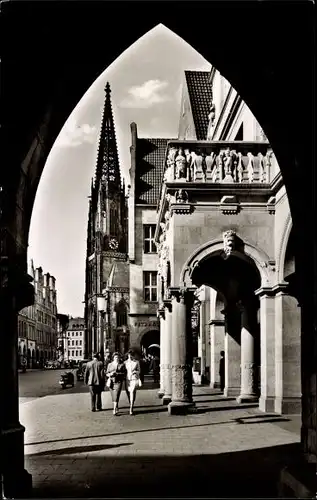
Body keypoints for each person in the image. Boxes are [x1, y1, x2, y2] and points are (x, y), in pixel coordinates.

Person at [124, 350, 141, 415]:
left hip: (134, 379)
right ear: (127, 355)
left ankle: (131, 407)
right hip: (127, 379)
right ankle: (131, 402)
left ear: (133, 355)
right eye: (129, 355)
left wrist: (135, 372)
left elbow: (139, 371)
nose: (130, 356)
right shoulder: (125, 362)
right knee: (128, 392)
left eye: (131, 355)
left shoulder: (136, 362)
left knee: (132, 392)